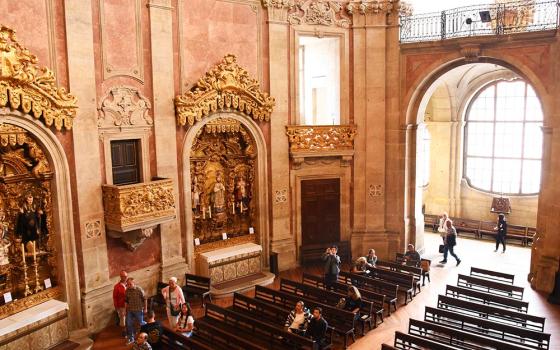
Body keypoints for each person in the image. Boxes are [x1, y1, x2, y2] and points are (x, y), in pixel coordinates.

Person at [125, 277, 147, 345]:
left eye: (130, 284)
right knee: (128, 324)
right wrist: (126, 310)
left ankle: (145, 334)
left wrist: (146, 308)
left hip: (138, 310)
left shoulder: (139, 289)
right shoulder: (127, 290)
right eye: (127, 284)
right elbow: (126, 301)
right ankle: (131, 338)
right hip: (130, 310)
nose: (128, 286)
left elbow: (145, 299)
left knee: (141, 323)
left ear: (134, 283)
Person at [113, 270, 128, 337]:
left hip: (129, 305)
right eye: (124, 276)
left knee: (130, 317)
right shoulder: (117, 286)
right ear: (121, 277)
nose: (125, 278)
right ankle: (124, 331)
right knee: (123, 319)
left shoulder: (129, 284)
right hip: (122, 306)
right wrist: (116, 307)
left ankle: (130, 330)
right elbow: (115, 297)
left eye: (126, 276)